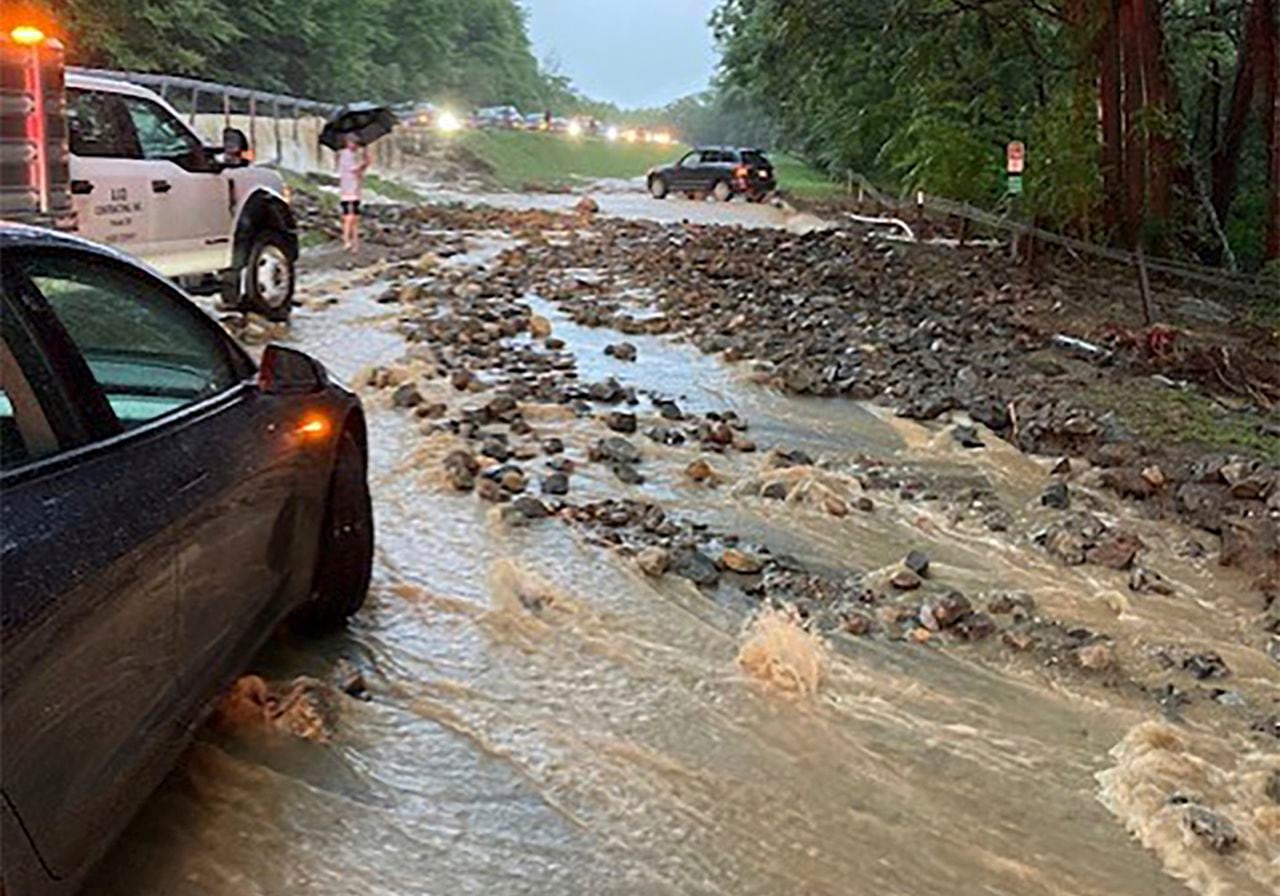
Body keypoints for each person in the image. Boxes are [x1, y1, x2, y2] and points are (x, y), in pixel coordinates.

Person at [337, 134, 369, 252]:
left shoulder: (354, 155)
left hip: (355, 188)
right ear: (347, 142)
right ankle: (346, 240)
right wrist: (364, 164)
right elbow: (354, 170)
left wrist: (365, 164)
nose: (354, 145)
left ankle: (355, 243)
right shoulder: (345, 154)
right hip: (347, 189)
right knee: (348, 217)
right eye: (352, 143)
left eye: (356, 144)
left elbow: (359, 173)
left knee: (355, 217)